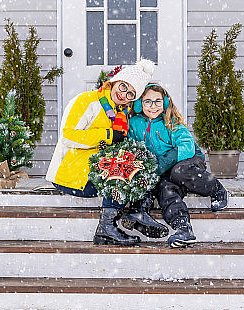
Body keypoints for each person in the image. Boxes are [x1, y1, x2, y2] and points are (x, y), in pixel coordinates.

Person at [46, 59, 165, 246]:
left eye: (131, 94)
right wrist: (108, 135)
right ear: (115, 81)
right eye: (123, 86)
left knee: (136, 163)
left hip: (97, 171)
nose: (124, 94)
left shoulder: (121, 113)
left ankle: (136, 213)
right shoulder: (88, 100)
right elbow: (68, 136)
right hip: (73, 175)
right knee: (120, 169)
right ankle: (108, 227)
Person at [127, 83, 229, 248]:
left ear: (165, 103)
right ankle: (183, 228)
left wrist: (163, 163)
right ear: (140, 104)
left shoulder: (170, 121)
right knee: (166, 189)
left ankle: (216, 189)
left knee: (178, 172)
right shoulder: (134, 124)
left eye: (157, 101)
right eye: (147, 102)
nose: (153, 106)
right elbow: (130, 147)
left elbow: (186, 147)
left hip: (188, 161)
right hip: (162, 170)